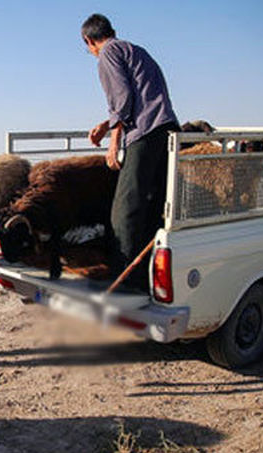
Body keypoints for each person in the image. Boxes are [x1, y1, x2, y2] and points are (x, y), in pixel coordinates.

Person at [82, 13, 179, 290]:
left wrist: (114, 141)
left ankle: (124, 281)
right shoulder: (134, 50)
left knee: (124, 210)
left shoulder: (108, 53)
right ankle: (146, 275)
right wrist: (106, 124)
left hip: (145, 132)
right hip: (164, 128)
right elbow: (137, 96)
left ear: (89, 41)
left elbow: (122, 98)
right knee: (152, 203)